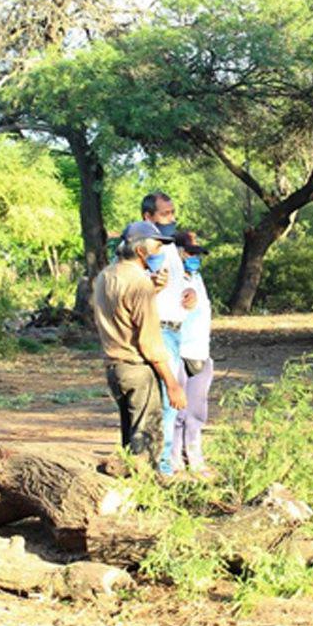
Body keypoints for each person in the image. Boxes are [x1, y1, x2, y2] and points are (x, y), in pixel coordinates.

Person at [90, 221, 187, 467]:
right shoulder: (139, 283)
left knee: (128, 444)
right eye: (156, 248)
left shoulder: (106, 275)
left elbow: (122, 310)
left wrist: (151, 290)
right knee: (146, 445)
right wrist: (172, 384)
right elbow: (150, 342)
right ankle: (146, 497)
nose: (159, 253)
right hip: (138, 369)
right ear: (141, 251)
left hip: (115, 369)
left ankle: (127, 495)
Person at [140, 192, 197, 475]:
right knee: (168, 400)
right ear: (147, 217)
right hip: (159, 329)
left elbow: (179, 286)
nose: (171, 219)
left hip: (176, 329)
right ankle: (162, 469)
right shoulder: (147, 247)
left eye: (172, 213)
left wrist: (189, 296)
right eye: (164, 214)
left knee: (170, 402)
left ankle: (160, 464)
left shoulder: (170, 246)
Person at [170, 230, 216, 477]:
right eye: (189, 252)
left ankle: (195, 457)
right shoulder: (170, 278)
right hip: (179, 352)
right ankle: (174, 459)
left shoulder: (196, 277)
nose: (193, 257)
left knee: (197, 411)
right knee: (177, 412)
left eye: (196, 253)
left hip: (200, 351)